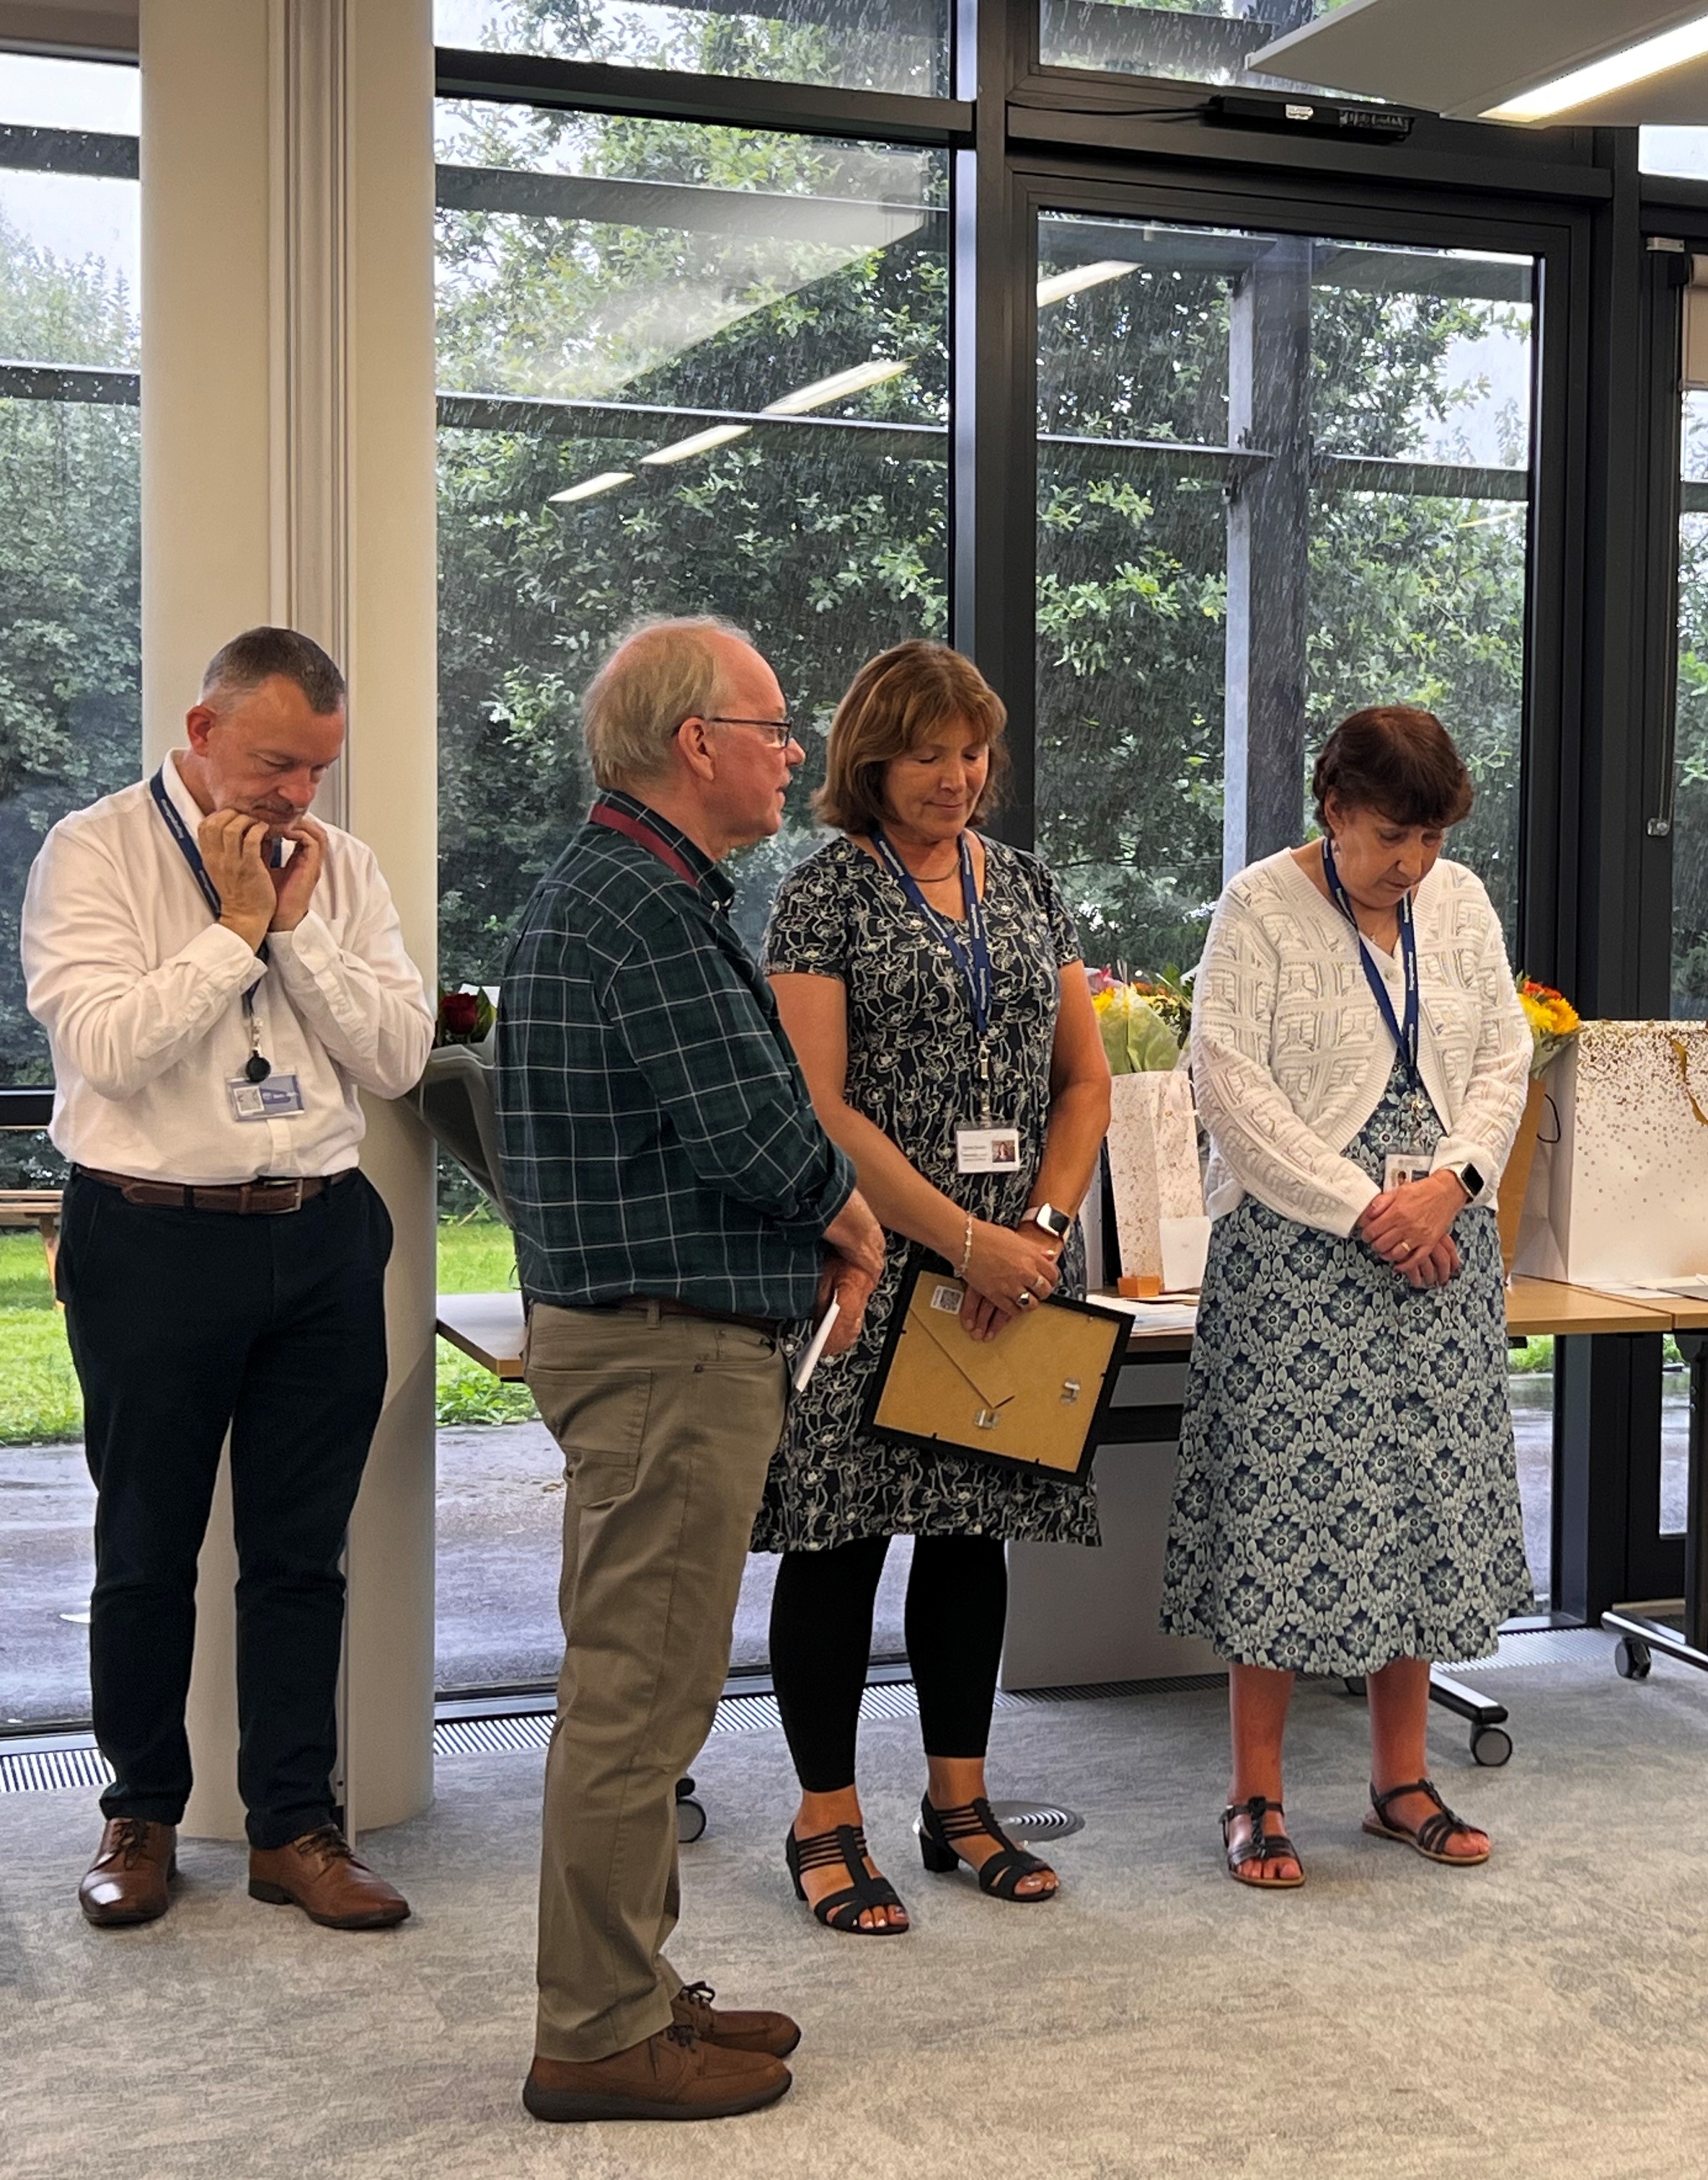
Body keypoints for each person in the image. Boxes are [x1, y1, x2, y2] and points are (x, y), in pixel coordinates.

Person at [499, 616, 885, 2124]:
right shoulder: (640, 907)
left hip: (653, 1340)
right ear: (691, 745)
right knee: (637, 1705)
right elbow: (754, 1125)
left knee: (640, 1694)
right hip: (667, 1348)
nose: (796, 749)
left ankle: (637, 1989)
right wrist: (848, 1216)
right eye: (774, 723)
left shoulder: (627, 886)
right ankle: (597, 2030)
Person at [24, 626, 429, 1935]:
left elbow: (397, 1057)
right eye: (273, 763)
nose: (295, 796)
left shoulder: (342, 870)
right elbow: (107, 1047)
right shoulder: (94, 851)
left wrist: (296, 931)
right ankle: (139, 1812)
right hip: (150, 1234)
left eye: (316, 770)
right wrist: (232, 930)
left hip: (319, 1231)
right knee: (144, 1545)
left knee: (301, 1552)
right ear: (201, 732)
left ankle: (295, 1826)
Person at [756, 641, 1110, 1935]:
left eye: (972, 753)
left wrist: (1042, 1228)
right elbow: (823, 1106)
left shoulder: (1026, 887)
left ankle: (958, 1806)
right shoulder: (822, 897)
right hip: (873, 1259)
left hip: (1012, 1268)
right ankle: (825, 1820)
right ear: (869, 759)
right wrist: (964, 1239)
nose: (956, 777)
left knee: (970, 1540)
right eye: (927, 755)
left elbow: (1085, 1081)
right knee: (838, 1542)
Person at [1164, 706, 1534, 1889]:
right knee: (1288, 1511)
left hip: (1442, 1239)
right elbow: (1228, 1083)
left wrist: (1453, 1185)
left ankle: (1400, 1781)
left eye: (1427, 839)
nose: (1409, 865)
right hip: (1300, 1251)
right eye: (1387, 836)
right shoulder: (1260, 906)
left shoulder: (1460, 902)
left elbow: (1505, 1057)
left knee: (1421, 1501)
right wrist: (1370, 1209)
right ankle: (1257, 1796)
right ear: (1331, 807)